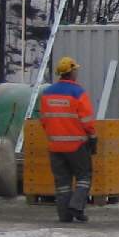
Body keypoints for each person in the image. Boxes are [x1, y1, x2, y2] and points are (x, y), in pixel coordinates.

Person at [39, 56, 97, 223]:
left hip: (55, 146)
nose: (77, 73)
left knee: (62, 183)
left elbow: (44, 120)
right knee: (84, 177)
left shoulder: (47, 93)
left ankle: (64, 215)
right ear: (71, 72)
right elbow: (86, 120)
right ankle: (77, 205)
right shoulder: (78, 92)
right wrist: (93, 137)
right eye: (76, 70)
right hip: (77, 145)